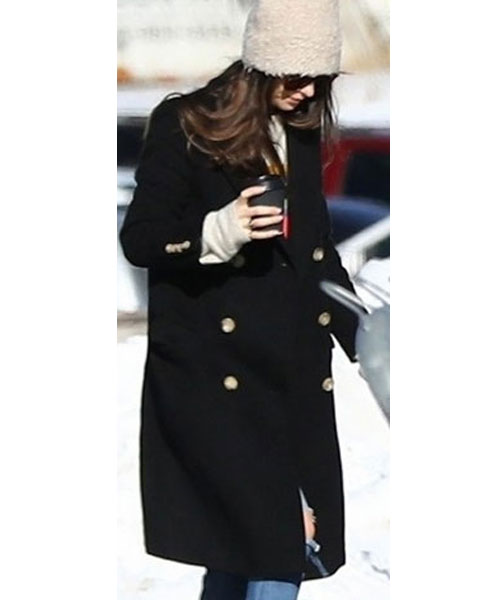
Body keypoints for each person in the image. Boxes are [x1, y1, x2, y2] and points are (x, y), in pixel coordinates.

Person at [119, 1, 360, 598]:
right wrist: (218, 230)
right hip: (216, 380)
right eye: (295, 76)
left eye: (320, 78)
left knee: (242, 556)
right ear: (261, 65)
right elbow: (141, 239)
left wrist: (366, 336)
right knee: (279, 547)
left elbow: (316, 252)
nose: (308, 92)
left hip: (291, 376)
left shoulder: (299, 129)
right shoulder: (184, 123)